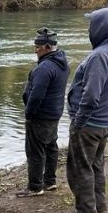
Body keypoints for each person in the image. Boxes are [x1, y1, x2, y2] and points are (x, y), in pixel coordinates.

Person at [64, 8, 108, 213]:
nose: (88, 28)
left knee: (80, 166)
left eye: (92, 24)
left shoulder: (100, 56)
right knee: (96, 165)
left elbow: (91, 95)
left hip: (90, 123)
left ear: (103, 27)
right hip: (106, 121)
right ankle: (100, 208)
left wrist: (78, 121)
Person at [17, 27, 70, 197]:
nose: (35, 50)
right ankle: (50, 182)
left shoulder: (44, 68)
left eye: (38, 47)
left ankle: (35, 187)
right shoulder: (62, 64)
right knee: (51, 147)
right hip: (55, 113)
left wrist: (29, 114)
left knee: (35, 151)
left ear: (48, 47)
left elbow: (36, 95)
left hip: (40, 116)